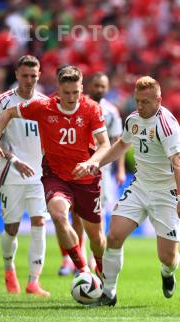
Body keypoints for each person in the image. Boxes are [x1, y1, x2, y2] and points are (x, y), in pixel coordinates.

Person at [0, 65, 110, 278]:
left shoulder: (92, 109)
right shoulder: (44, 107)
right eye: (66, 93)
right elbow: (8, 113)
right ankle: (82, 270)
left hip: (86, 178)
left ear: (82, 88)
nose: (71, 97)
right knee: (58, 215)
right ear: (58, 90)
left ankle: (102, 272)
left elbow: (105, 145)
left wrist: (90, 162)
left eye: (76, 92)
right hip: (56, 176)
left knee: (97, 238)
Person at [84, 76, 180, 306]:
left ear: (158, 101)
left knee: (168, 258)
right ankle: (109, 293)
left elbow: (179, 163)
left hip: (166, 192)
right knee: (113, 236)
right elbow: (122, 145)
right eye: (137, 101)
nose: (139, 106)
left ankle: (167, 273)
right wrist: (97, 163)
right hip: (141, 186)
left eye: (145, 102)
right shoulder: (133, 119)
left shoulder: (166, 125)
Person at [0, 55, 50, 297]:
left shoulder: (45, 103)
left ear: (39, 75)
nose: (29, 80)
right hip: (10, 172)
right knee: (11, 227)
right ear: (16, 74)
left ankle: (34, 281)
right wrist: (14, 160)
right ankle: (8, 267)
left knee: (39, 222)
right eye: (25, 75)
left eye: (33, 76)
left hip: (38, 175)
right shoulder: (3, 101)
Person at [57, 72, 124, 276]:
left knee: (98, 216)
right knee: (75, 216)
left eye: (103, 86)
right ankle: (78, 261)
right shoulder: (78, 106)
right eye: (96, 85)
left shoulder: (111, 111)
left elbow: (117, 141)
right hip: (79, 167)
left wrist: (120, 169)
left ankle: (98, 260)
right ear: (88, 86)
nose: (100, 89)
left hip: (102, 169)